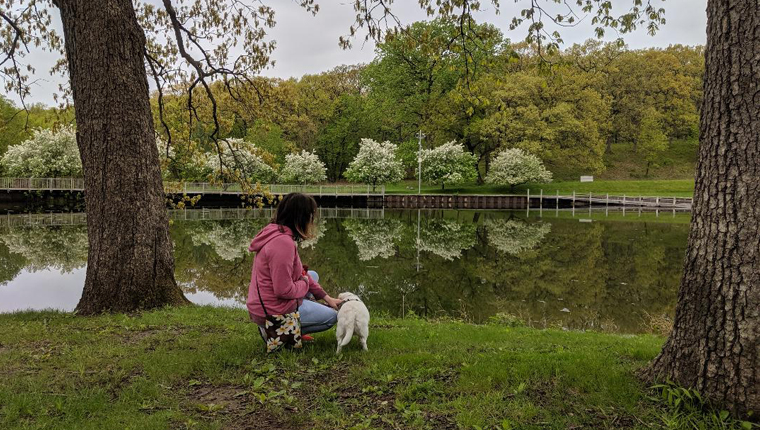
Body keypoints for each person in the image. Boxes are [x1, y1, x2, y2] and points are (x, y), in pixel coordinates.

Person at [246, 193, 342, 340]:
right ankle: (277, 331)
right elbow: (283, 291)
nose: (312, 220)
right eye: (311, 215)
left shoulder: (276, 231)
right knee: (331, 316)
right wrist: (303, 283)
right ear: (301, 217)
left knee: (313, 275)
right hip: (270, 312)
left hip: (263, 302)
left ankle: (292, 328)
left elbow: (301, 273)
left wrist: (326, 298)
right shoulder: (283, 244)